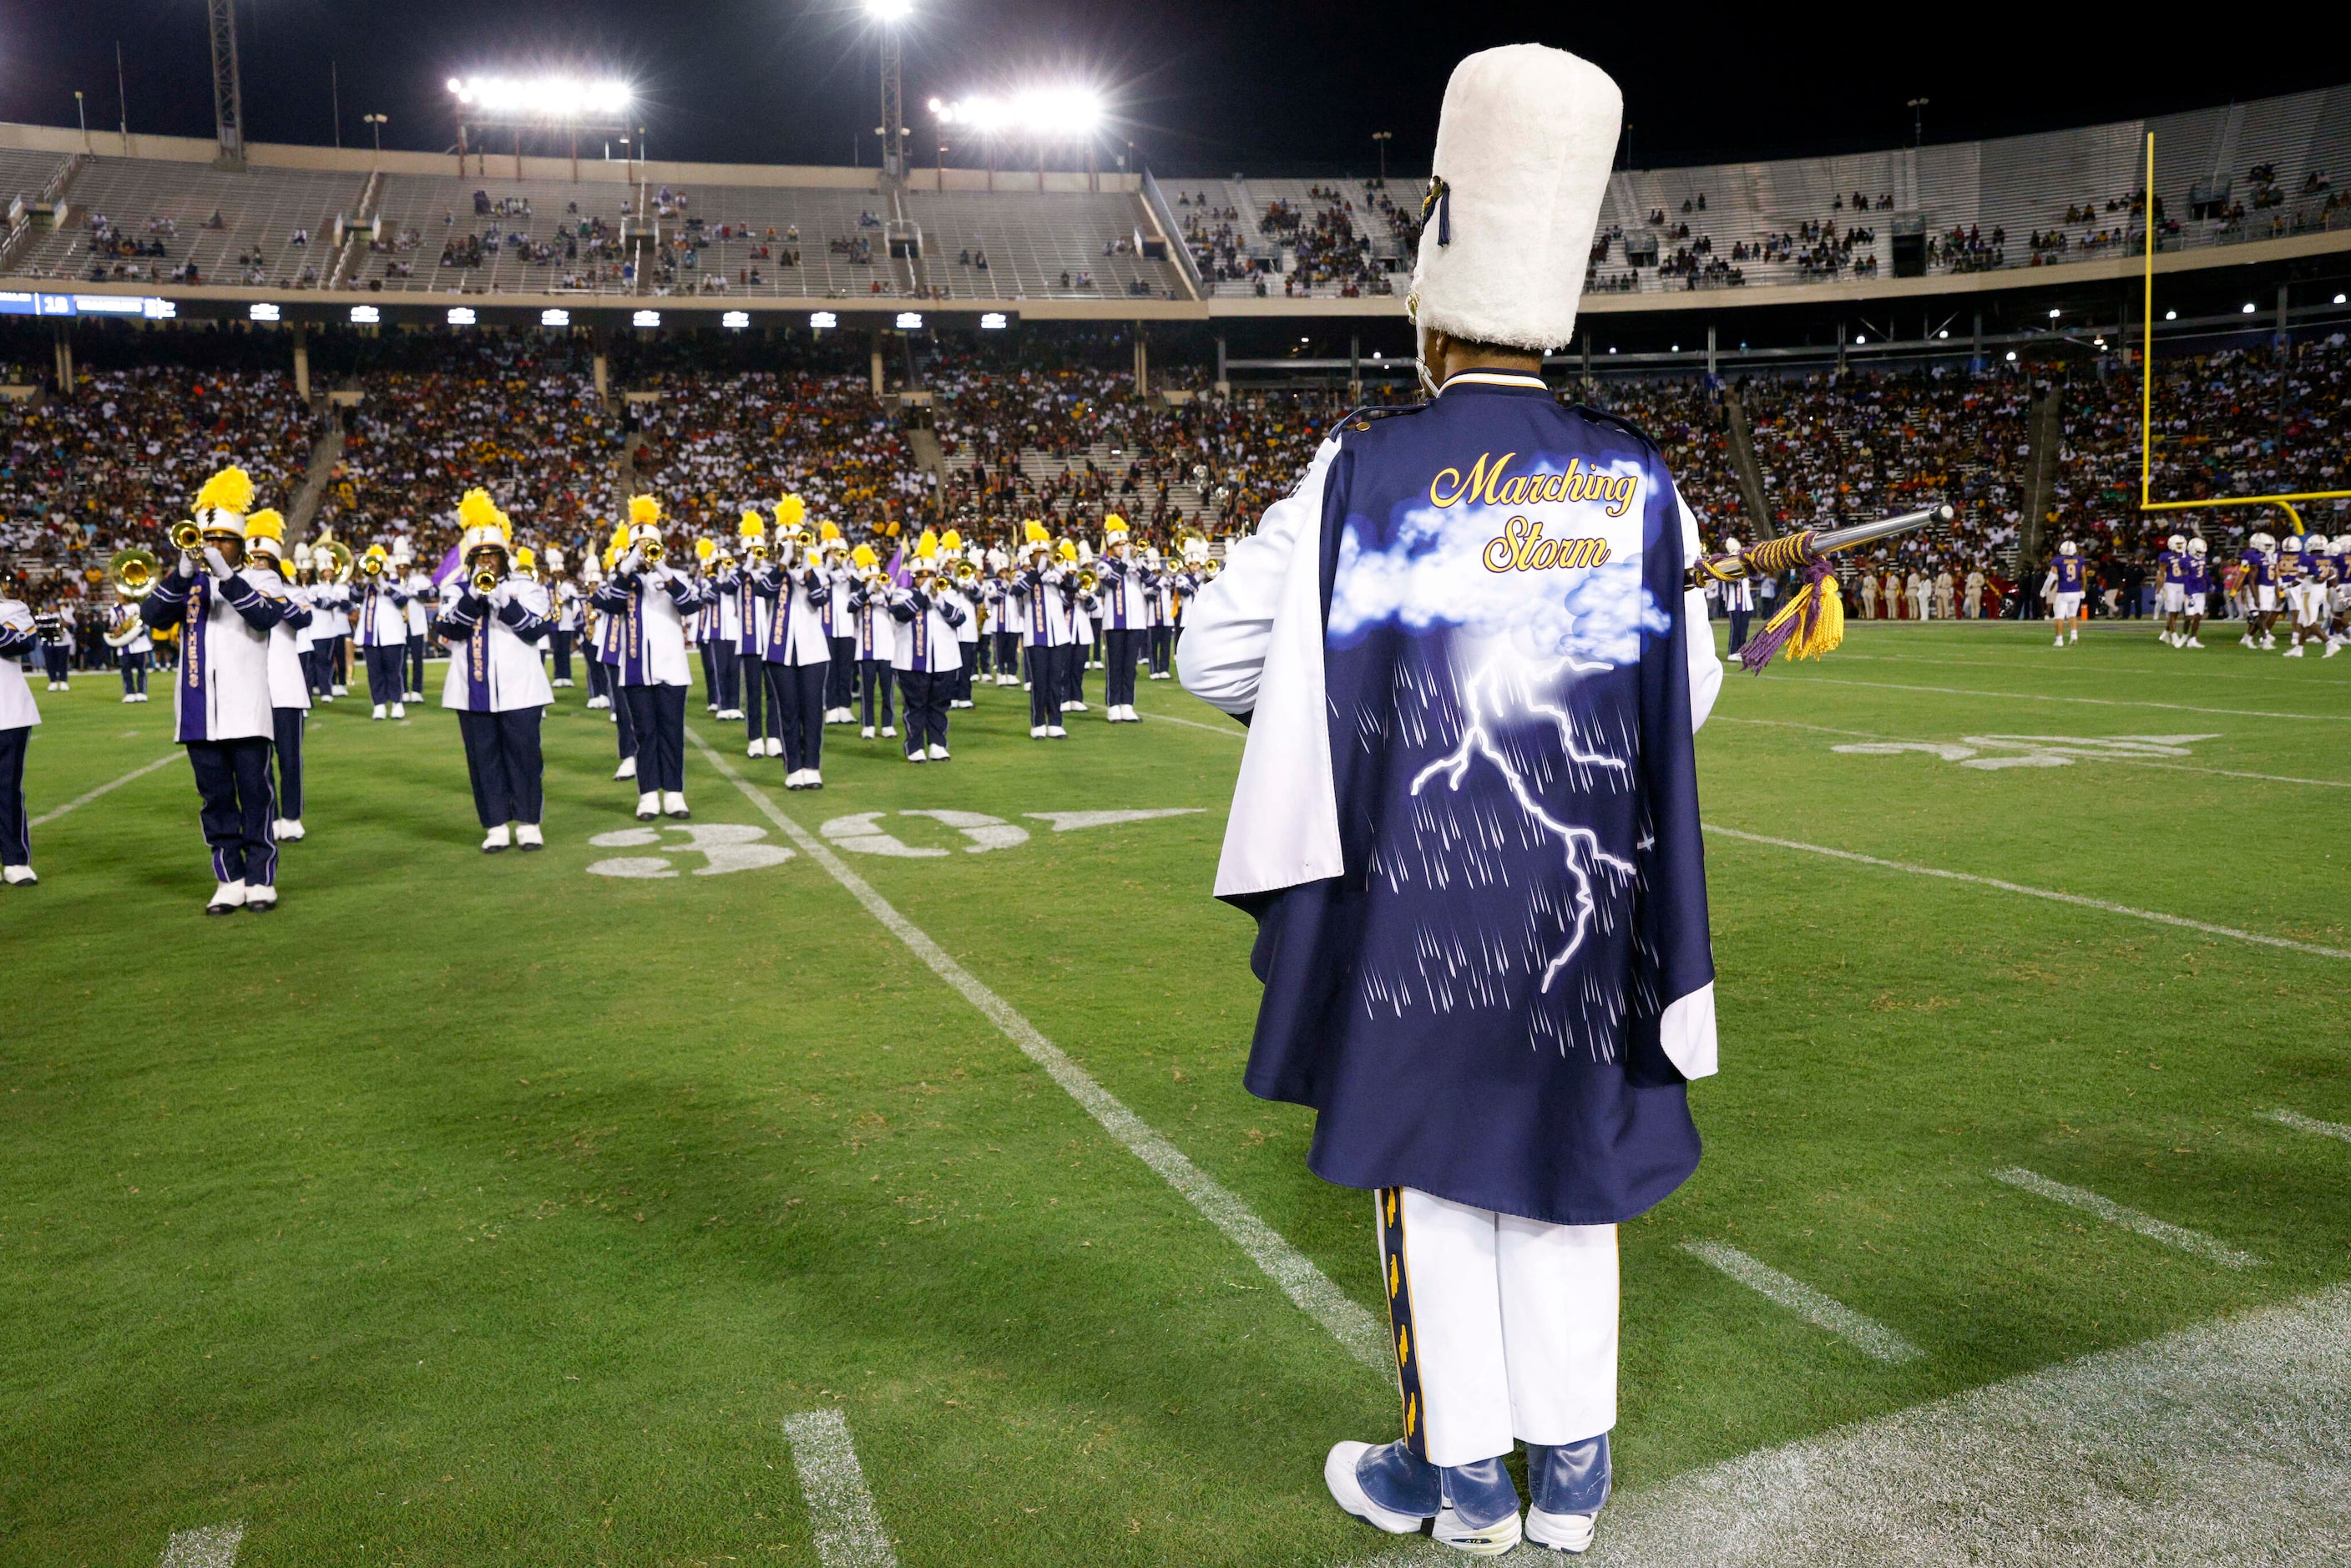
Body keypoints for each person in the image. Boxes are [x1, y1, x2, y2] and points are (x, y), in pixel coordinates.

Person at [1181, 45, 1720, 1557]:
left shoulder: (1361, 466)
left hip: (1422, 879)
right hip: (1583, 892)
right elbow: (1683, 705)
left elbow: (1211, 647)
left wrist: (1335, 717)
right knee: (1571, 1168)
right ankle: (1577, 1481)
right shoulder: (1637, 480)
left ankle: (1462, 1483)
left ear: (1431, 307)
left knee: (1434, 1170)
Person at [139, 466, 292, 913]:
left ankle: (262, 876)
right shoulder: (186, 583)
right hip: (196, 710)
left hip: (247, 708)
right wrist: (183, 573)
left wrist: (228, 576)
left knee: (256, 793)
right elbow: (152, 616)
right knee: (215, 798)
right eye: (207, 539)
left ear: (239, 545)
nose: (211, 546)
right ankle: (229, 877)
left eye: (222, 539)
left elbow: (265, 618)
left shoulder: (261, 579)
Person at [435, 492, 553, 850]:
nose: (487, 563)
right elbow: (448, 629)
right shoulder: (454, 591)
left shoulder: (527, 588)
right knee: (483, 759)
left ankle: (529, 822)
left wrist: (501, 599)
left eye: (492, 556)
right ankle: (496, 825)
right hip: (471, 692)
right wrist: (474, 595)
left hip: (522, 689)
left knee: (525, 756)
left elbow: (534, 630)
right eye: (480, 557)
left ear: (504, 558)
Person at [589, 496, 705, 821]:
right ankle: (648, 794)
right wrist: (626, 568)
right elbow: (608, 604)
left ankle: (675, 793)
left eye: (650, 546)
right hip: (636, 671)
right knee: (645, 734)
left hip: (672, 669)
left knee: (672, 732)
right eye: (640, 547)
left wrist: (662, 569)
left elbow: (690, 605)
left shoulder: (674, 575)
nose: (646, 552)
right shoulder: (624, 582)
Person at [241, 508, 316, 842]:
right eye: (252, 559)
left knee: (289, 757)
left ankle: (293, 816)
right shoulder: (240, 595)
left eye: (263, 560)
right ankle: (268, 817)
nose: (257, 565)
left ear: (273, 563)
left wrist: (275, 596)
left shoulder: (293, 593)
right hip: (251, 687)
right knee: (259, 763)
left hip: (285, 687)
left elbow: (303, 620)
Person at [753, 502, 833, 789]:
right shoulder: (769, 569)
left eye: (797, 541)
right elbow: (763, 591)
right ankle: (793, 767)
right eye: (788, 542)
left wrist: (808, 572)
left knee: (812, 709)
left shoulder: (818, 568)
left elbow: (821, 600)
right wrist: (783, 565)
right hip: (779, 650)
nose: (794, 546)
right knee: (788, 710)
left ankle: (812, 765)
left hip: (813, 650)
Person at [888, 531, 964, 762]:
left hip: (944, 660)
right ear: (914, 577)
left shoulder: (948, 593)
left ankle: (938, 743)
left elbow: (959, 618)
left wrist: (939, 600)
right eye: (921, 576)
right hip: (911, 661)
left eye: (930, 575)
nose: (926, 580)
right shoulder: (902, 594)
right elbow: (901, 613)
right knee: (915, 706)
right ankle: (914, 746)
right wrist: (923, 596)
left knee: (939, 705)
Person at [1095, 515, 1155, 721]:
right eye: (1119, 545)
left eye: (1124, 544)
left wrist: (1137, 562)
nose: (1123, 548)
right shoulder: (1104, 565)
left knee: (1130, 666)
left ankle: (1127, 704)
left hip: (1136, 622)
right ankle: (1113, 705)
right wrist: (1125, 561)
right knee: (1115, 665)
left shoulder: (1135, 564)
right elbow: (1110, 581)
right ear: (1111, 547)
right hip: (1114, 623)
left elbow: (1152, 581)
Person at [0, 576, 39, 885]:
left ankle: (15, 860)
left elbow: (23, 643)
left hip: (8, 713)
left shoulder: (13, 609)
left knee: (6, 789)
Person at [352, 544, 412, 719]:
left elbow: (402, 600)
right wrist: (365, 580)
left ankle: (397, 702)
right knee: (374, 672)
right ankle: (379, 704)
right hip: (371, 637)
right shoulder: (366, 589)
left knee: (393, 671)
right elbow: (353, 596)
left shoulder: (395, 585)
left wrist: (384, 585)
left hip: (392, 636)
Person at [847, 544, 898, 741]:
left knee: (887, 689)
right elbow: (851, 607)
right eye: (869, 580)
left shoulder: (887, 595)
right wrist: (867, 590)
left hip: (886, 649)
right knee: (867, 691)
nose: (873, 583)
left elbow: (898, 608)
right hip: (865, 650)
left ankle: (887, 724)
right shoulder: (858, 595)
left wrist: (883, 589)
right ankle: (868, 724)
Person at [104, 588, 153, 701]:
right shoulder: (114, 609)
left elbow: (142, 622)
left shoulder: (136, 606)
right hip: (123, 644)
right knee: (126, 669)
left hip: (139, 643)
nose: (118, 597)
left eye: (120, 594)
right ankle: (129, 693)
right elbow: (111, 624)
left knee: (141, 669)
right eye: (116, 594)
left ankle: (142, 692)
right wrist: (115, 629)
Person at [2043, 539, 2086, 645]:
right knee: (2073, 615)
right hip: (2076, 592)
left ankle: (2059, 640)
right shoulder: (2079, 560)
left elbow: (2051, 578)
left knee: (2059, 617)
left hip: (2063, 592)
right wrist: (2083, 589)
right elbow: (2084, 577)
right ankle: (2074, 635)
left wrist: (2044, 589)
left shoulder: (2058, 561)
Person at [1717, 535, 1754, 655]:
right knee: (1736, 628)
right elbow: (1728, 580)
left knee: (1743, 629)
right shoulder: (1727, 564)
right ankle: (1733, 651)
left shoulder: (1745, 563)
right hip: (1734, 602)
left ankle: (1741, 651)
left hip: (1746, 602)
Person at [2179, 536, 2210, 648]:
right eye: (2198, 552)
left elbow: (2205, 572)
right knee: (2189, 616)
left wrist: (2210, 584)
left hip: (2201, 589)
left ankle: (2193, 639)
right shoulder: (2185, 560)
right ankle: (2184, 636)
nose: (2201, 554)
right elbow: (2185, 578)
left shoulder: (2202, 559)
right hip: (2191, 590)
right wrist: (2189, 592)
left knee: (2198, 616)